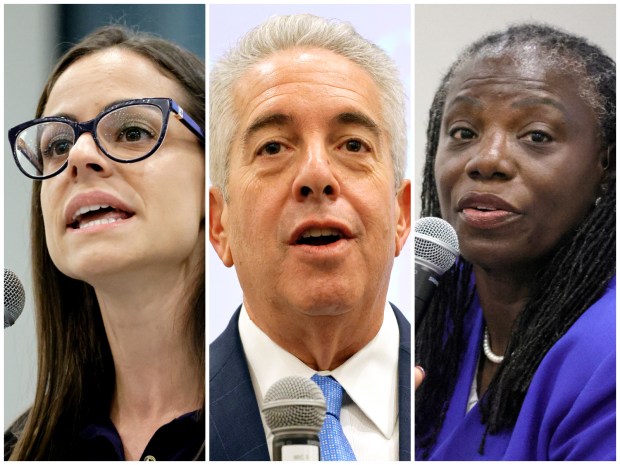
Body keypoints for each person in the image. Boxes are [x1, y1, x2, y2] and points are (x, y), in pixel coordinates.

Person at [209, 14, 411, 461]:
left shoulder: (464, 397)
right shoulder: (179, 418)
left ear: (401, 213)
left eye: (353, 145)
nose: (317, 175)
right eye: (274, 147)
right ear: (219, 224)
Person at [4, 25, 205, 460]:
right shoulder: (22, 449)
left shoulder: (275, 430)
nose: (77, 155)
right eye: (57, 144)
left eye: (132, 132)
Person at [415, 23, 615, 460]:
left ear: (606, 166)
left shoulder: (608, 356)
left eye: (536, 136)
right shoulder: (432, 315)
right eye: (464, 133)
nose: (486, 160)